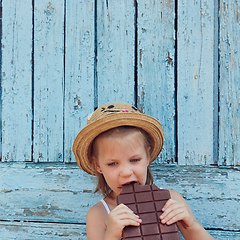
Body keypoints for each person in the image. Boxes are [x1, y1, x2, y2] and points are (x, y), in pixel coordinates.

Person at [73, 103, 214, 240]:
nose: (126, 172)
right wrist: (113, 233)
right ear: (98, 166)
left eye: (134, 160)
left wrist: (192, 226)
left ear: (147, 157)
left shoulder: (171, 200)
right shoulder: (99, 214)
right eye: (112, 163)